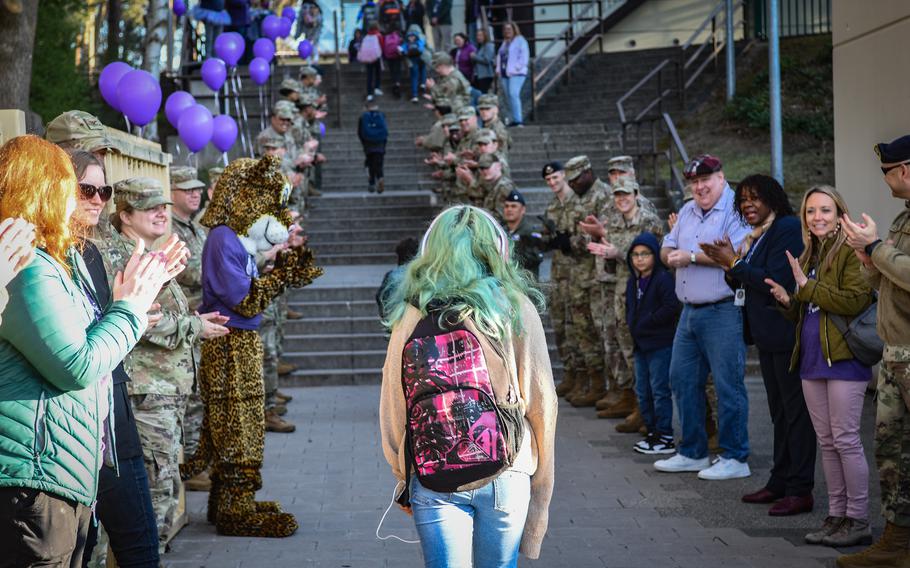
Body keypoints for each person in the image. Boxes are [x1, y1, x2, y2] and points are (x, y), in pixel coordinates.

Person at [0, 135, 167, 568]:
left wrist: (130, 306)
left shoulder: (53, 261)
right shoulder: (29, 267)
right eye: (72, 187)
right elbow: (77, 364)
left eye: (98, 190)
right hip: (36, 474)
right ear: (42, 190)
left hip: (68, 466)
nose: (84, 200)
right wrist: (129, 309)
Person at [379, 205, 557, 566]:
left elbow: (394, 403)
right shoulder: (515, 307)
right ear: (496, 251)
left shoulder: (411, 312)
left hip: (433, 470)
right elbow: (543, 404)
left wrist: (404, 475)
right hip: (507, 468)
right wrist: (540, 489)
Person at [98, 177, 230, 553]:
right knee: (154, 492)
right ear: (124, 214)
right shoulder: (119, 259)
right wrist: (195, 326)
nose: (161, 213)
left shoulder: (145, 254)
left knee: (166, 484)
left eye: (163, 207)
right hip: (146, 391)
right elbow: (143, 323)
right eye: (149, 207)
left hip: (164, 388)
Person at [60, 151, 162, 568]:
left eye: (105, 190)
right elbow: (76, 351)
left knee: (141, 545)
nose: (98, 199)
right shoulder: (44, 260)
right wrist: (127, 313)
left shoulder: (90, 254)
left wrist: (135, 316)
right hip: (73, 425)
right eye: (88, 189)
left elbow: (108, 333)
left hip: (114, 416)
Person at [762, 185, 875, 547]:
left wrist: (806, 288)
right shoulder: (812, 250)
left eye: (825, 210)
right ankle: (836, 516)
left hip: (843, 360)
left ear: (840, 212)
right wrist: (788, 299)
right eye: (811, 211)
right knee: (827, 443)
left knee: (845, 440)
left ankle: (858, 519)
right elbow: (807, 307)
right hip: (812, 360)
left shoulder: (849, 250)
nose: (817, 218)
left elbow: (856, 301)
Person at [702, 174, 817, 516]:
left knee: (796, 416)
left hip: (785, 336)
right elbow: (747, 278)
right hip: (766, 337)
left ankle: (800, 489)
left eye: (754, 198)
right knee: (778, 414)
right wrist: (731, 265)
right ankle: (779, 482)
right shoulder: (759, 235)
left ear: (772, 198)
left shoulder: (785, 229)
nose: (747, 206)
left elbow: (774, 282)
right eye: (742, 201)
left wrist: (734, 264)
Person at [654, 154, 752, 480]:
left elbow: (736, 256)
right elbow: (666, 248)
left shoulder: (735, 210)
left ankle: (736, 456)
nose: (700, 186)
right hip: (689, 312)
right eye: (694, 182)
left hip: (722, 309)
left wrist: (691, 256)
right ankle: (692, 451)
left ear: (721, 178)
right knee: (681, 381)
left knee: (728, 386)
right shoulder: (687, 210)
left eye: (706, 179)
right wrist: (672, 255)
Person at [838, 135, 910, 567]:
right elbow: (889, 283)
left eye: (886, 172)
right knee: (892, 452)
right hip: (896, 353)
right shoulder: (904, 218)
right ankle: (897, 542)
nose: (884, 180)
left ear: (904, 170)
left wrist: (874, 247)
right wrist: (868, 263)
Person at [584, 178, 664, 428]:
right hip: (621, 291)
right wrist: (608, 252)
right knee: (624, 347)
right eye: (618, 195)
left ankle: (650, 411)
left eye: (626, 194)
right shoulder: (615, 222)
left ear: (637, 194)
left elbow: (655, 257)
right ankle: (636, 403)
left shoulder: (649, 221)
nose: (622, 199)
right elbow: (610, 258)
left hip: (646, 293)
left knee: (641, 351)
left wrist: (617, 254)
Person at [169, 166, 215, 491]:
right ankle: (190, 468)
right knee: (190, 396)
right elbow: (194, 271)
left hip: (199, 319)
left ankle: (196, 463)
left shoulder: (194, 227)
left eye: (197, 188)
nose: (194, 193)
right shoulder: (172, 228)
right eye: (186, 189)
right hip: (184, 319)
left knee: (198, 394)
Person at [625, 232, 679, 455]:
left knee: (659, 390)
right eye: (635, 255)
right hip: (641, 344)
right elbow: (630, 308)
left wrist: (647, 322)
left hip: (659, 344)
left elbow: (670, 307)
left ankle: (665, 435)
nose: (639, 259)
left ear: (655, 256)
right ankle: (652, 431)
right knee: (643, 390)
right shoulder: (633, 280)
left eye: (645, 254)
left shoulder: (663, 279)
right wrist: (633, 324)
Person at [562, 156, 609, 407]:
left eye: (576, 178)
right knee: (582, 330)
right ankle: (592, 381)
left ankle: (611, 386)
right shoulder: (575, 198)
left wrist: (573, 242)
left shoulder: (604, 196)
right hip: (578, 274)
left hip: (599, 275)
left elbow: (603, 235)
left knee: (603, 330)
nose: (573, 183)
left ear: (588, 173)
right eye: (570, 180)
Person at [539, 161, 579, 398]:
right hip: (560, 271)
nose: (553, 183)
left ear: (564, 176)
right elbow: (547, 237)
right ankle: (572, 374)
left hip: (580, 272)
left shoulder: (579, 202)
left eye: (556, 178)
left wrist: (570, 241)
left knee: (581, 327)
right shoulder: (553, 207)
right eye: (549, 180)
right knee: (563, 326)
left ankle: (588, 378)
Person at [502, 189, 544, 279]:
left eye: (513, 206)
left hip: (526, 284)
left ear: (523, 210)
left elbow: (534, 260)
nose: (509, 209)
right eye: (506, 206)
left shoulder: (531, 232)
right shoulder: (501, 231)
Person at [376, 237, 420, 318]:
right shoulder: (422, 274)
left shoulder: (391, 275)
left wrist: (385, 316)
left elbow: (380, 297)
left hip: (395, 319)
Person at [496, 22, 529, 128]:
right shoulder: (505, 42)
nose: (507, 31)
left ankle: (519, 120)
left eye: (509, 29)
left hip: (517, 73)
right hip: (505, 73)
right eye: (505, 29)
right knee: (509, 97)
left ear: (514, 29)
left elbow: (524, 57)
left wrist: (516, 68)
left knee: (513, 94)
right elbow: (500, 56)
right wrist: (498, 69)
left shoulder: (520, 40)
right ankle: (514, 119)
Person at [358, 98, 389, 194]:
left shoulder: (363, 117)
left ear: (366, 107)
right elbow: (385, 131)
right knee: (379, 162)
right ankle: (380, 178)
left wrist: (364, 143)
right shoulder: (381, 115)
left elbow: (359, 132)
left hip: (368, 143)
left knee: (370, 162)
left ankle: (372, 183)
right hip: (380, 142)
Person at [359, 21, 385, 99]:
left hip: (368, 58)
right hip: (377, 57)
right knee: (378, 73)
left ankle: (369, 93)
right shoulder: (379, 35)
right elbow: (382, 45)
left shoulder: (367, 36)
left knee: (369, 75)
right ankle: (377, 88)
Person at [402, 24, 427, 102]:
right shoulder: (421, 38)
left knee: (414, 76)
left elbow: (402, 50)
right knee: (423, 69)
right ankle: (423, 83)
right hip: (421, 58)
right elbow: (424, 48)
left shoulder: (406, 42)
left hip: (412, 60)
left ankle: (414, 95)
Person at [470, 28, 496, 94]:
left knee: (484, 95)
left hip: (486, 75)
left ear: (485, 36)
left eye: (480, 35)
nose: (478, 37)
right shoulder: (480, 47)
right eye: (477, 35)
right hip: (478, 75)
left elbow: (487, 60)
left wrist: (474, 57)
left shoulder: (489, 46)